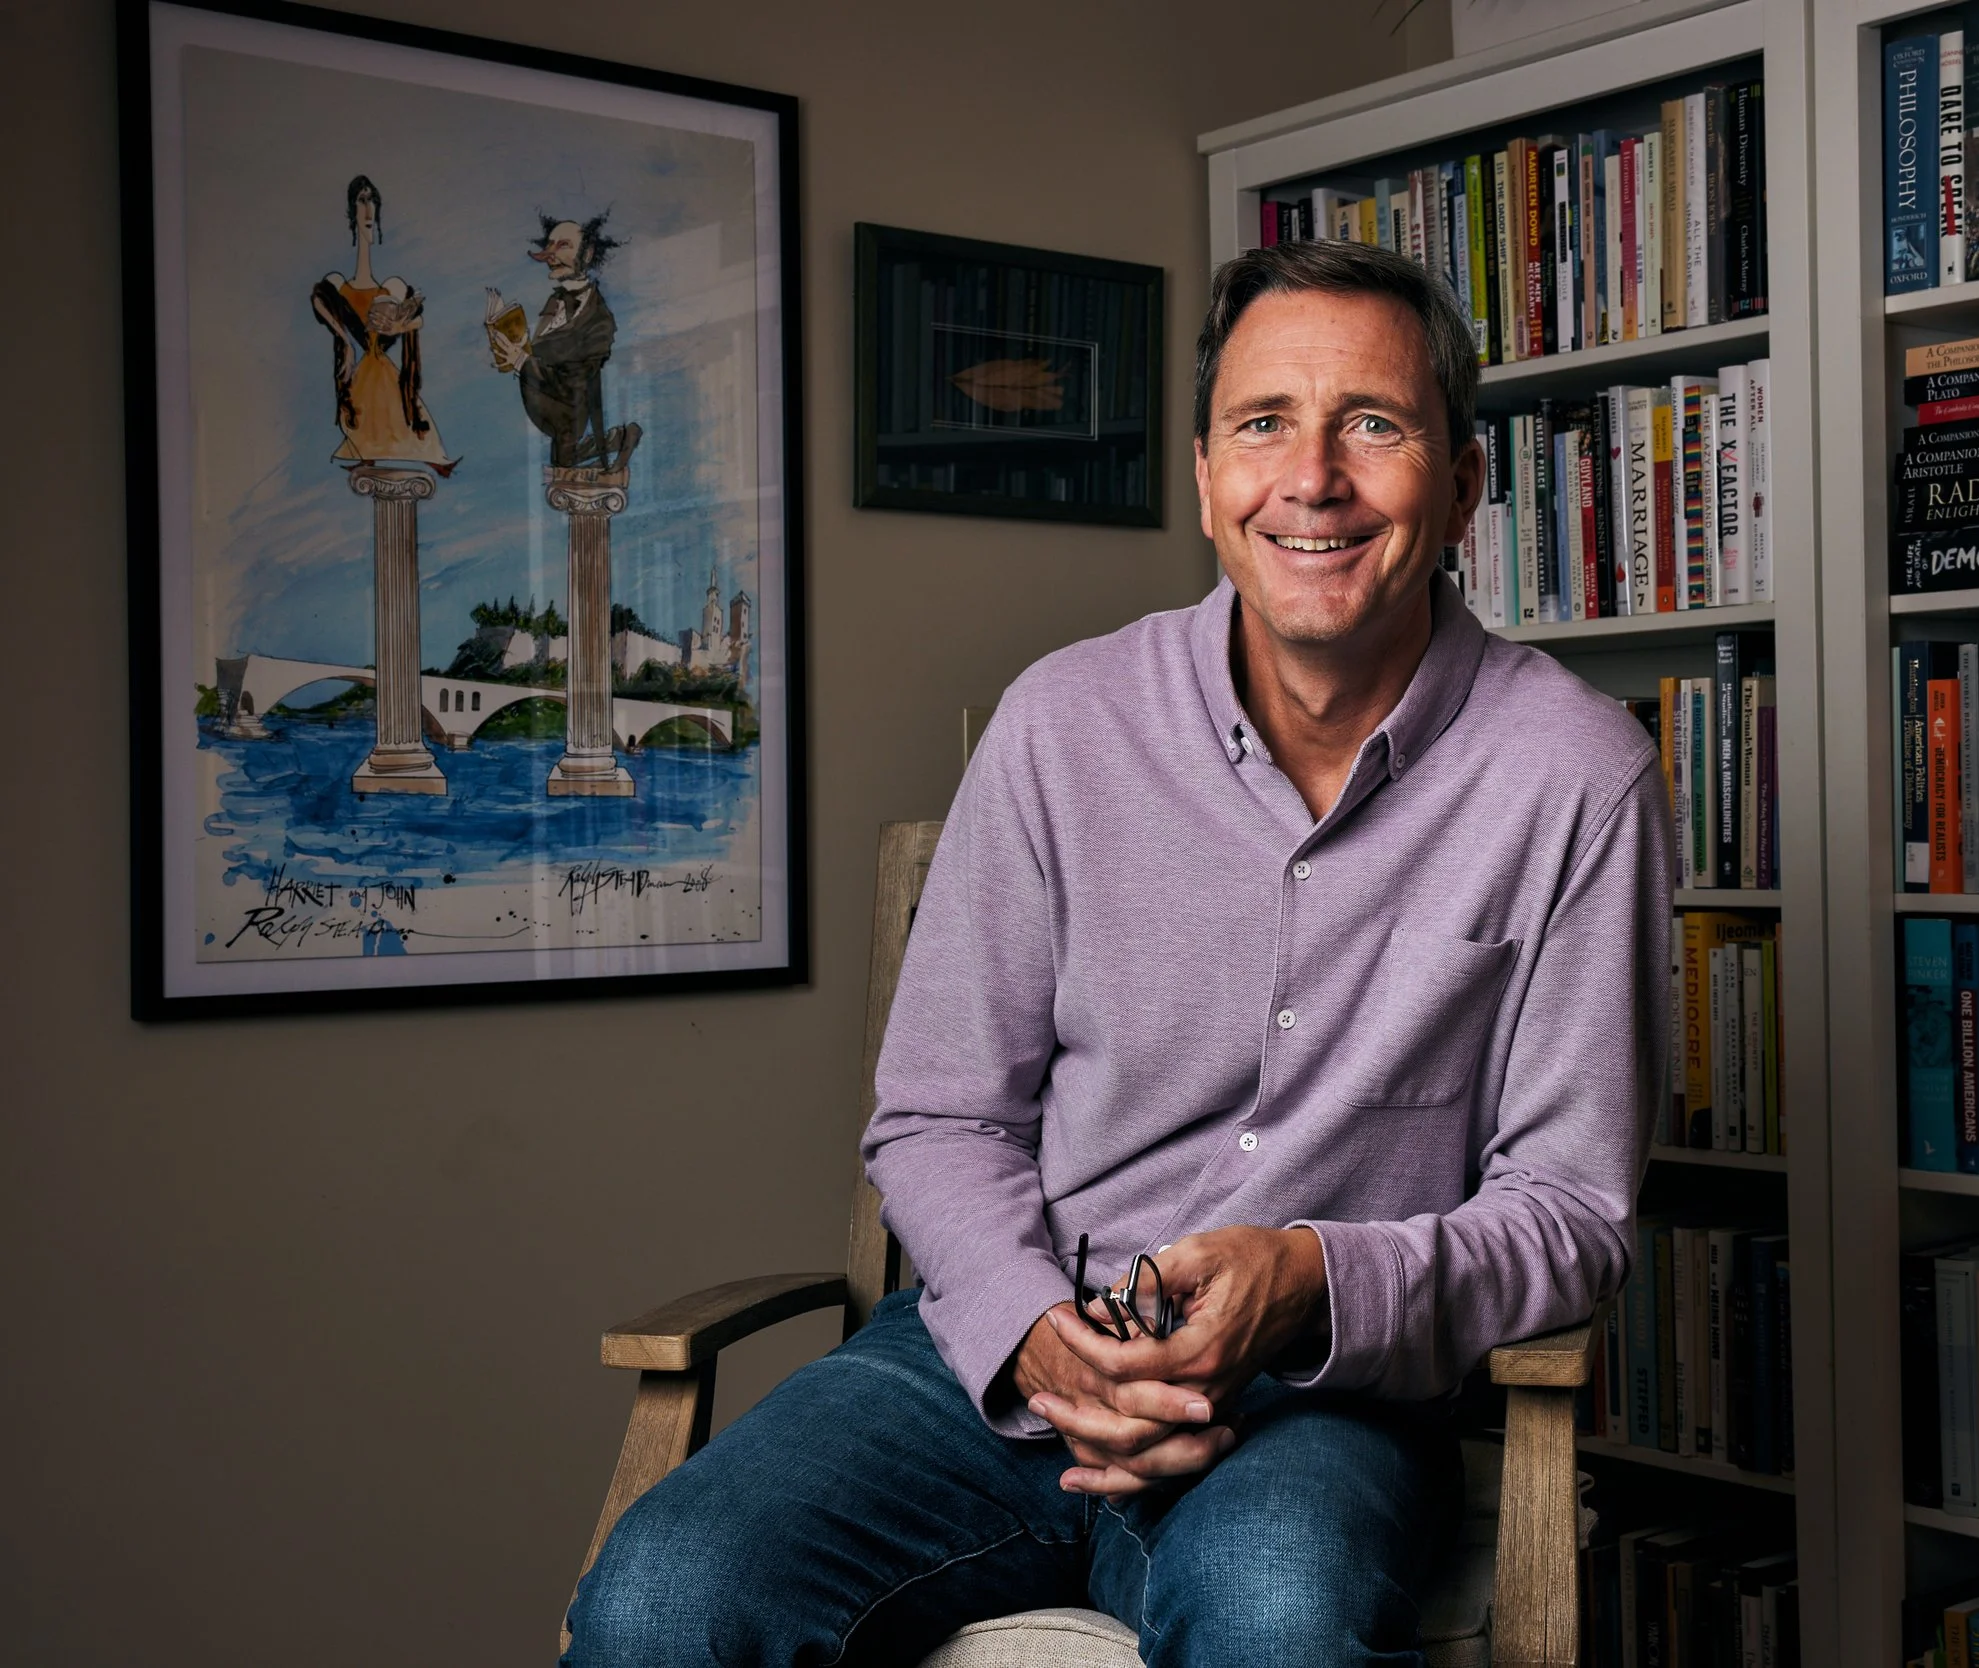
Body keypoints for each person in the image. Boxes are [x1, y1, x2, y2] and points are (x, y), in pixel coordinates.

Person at [563, 239, 1670, 1668]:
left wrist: (1310, 1281)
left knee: (1281, 1614)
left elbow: (1570, 1212)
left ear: (1462, 485)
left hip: (1319, 1398)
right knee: (664, 1592)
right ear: (1208, 476)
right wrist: (1033, 1330)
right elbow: (939, 1112)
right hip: (1004, 1346)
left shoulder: (1576, 775)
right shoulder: (1059, 724)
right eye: (1265, 423)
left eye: (1375, 426)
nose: (1313, 477)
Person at [310, 175, 454, 476]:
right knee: (366, 406)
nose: (368, 209)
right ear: (353, 210)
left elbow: (418, 318)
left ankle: (432, 457)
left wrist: (398, 329)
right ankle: (372, 456)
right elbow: (318, 301)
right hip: (364, 355)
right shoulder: (339, 285)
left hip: (379, 350)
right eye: (362, 200)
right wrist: (345, 343)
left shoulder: (389, 287)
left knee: (398, 406)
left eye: (372, 201)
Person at [488, 213, 640, 471]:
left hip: (567, 406)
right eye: (549, 246)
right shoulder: (554, 302)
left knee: (563, 465)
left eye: (563, 245)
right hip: (547, 405)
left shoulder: (599, 320)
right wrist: (515, 343)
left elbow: (575, 380)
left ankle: (621, 438)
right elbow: (547, 351)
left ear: (587, 254)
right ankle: (620, 438)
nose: (551, 255)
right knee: (562, 464)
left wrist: (522, 361)